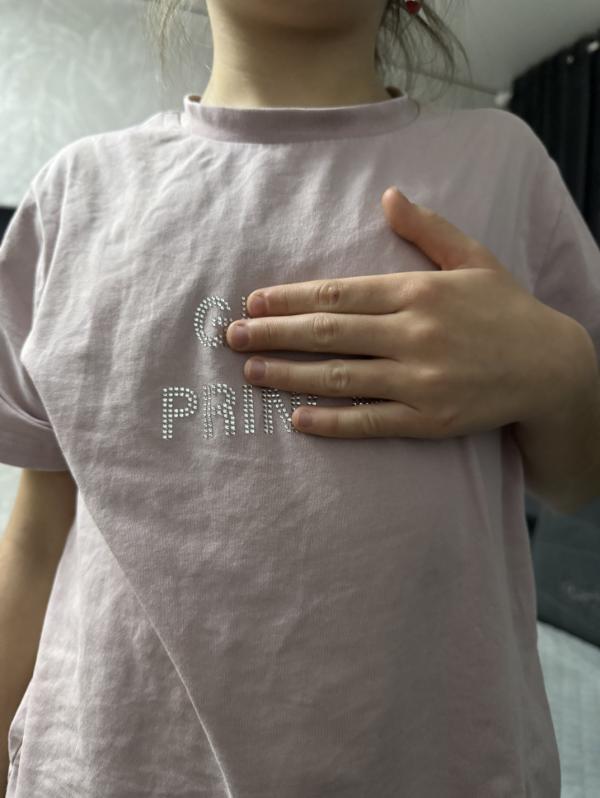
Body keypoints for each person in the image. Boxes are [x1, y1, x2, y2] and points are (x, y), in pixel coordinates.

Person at [1, 1, 599, 796]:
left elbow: (575, 481)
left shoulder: (504, 164)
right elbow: (36, 536)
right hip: (103, 769)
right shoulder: (76, 192)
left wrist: (560, 368)